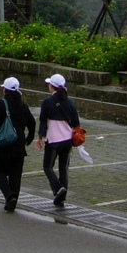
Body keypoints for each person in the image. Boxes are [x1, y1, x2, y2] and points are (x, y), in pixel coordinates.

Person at [0, 76, 36, 212]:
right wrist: (29, 138)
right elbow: (32, 122)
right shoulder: (22, 105)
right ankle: (13, 201)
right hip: (19, 145)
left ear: (5, 90)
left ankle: (9, 196)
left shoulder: (2, 104)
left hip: (4, 145)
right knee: (15, 175)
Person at [36, 73, 80, 206]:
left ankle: (58, 188)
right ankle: (63, 194)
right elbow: (76, 123)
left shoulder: (47, 102)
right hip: (67, 141)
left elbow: (43, 121)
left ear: (52, 87)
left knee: (47, 166)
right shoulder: (70, 102)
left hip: (53, 140)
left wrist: (40, 138)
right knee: (63, 168)